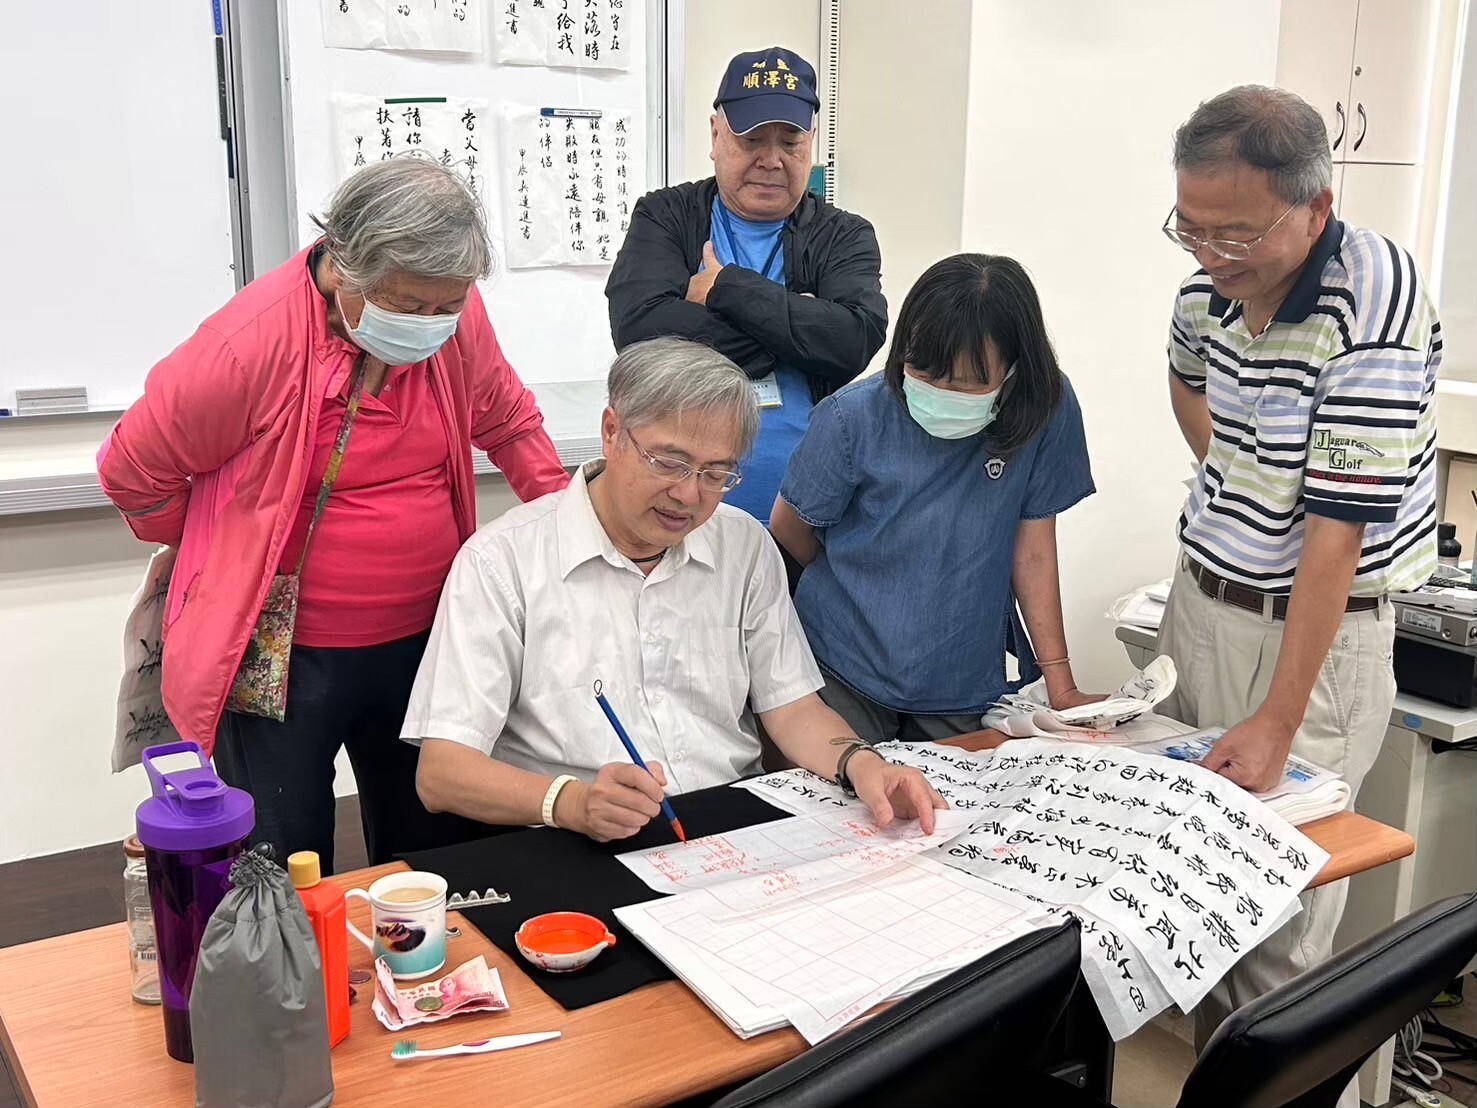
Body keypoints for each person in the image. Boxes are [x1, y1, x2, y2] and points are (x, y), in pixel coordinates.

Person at [98, 156, 571, 872]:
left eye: (449, 306)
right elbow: (131, 472)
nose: (434, 323)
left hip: (428, 635)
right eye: (411, 307)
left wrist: (569, 532)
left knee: (435, 851)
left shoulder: (452, 313)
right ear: (347, 269)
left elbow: (507, 421)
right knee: (281, 855)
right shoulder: (243, 349)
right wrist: (217, 543)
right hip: (282, 653)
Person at [1155, 85, 1441, 1087]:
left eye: (1235, 230)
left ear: (1314, 206)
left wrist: (1279, 717)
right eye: (1190, 226)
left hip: (1313, 646)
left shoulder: (1374, 292)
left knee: (1276, 934)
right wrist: (1233, 475)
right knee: (1198, 904)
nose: (1209, 252)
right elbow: (1186, 372)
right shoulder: (1206, 285)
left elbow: (1336, 533)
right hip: (1201, 611)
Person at [402, 337, 945, 841]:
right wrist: (573, 802)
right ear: (612, 431)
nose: (688, 494)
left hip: (731, 826)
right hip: (575, 839)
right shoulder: (502, 562)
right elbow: (443, 772)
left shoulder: (744, 545)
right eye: (669, 462)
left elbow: (792, 707)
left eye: (716, 473)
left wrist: (863, 762)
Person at [770, 255, 1100, 743]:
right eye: (922, 370)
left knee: (952, 808)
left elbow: (1032, 549)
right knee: (845, 794)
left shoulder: (1044, 407)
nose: (938, 390)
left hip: (959, 669)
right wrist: (869, 583)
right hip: (842, 660)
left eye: (966, 383)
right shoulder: (852, 418)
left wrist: (1062, 684)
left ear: (1015, 371)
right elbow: (789, 528)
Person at [605, 46, 886, 540]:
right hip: (674, 514)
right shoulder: (665, 216)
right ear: (716, 135)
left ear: (812, 143)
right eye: (752, 138)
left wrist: (726, 288)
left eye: (791, 142)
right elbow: (640, 333)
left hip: (802, 525)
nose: (772, 160)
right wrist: (794, 331)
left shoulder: (845, 234)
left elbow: (852, 340)